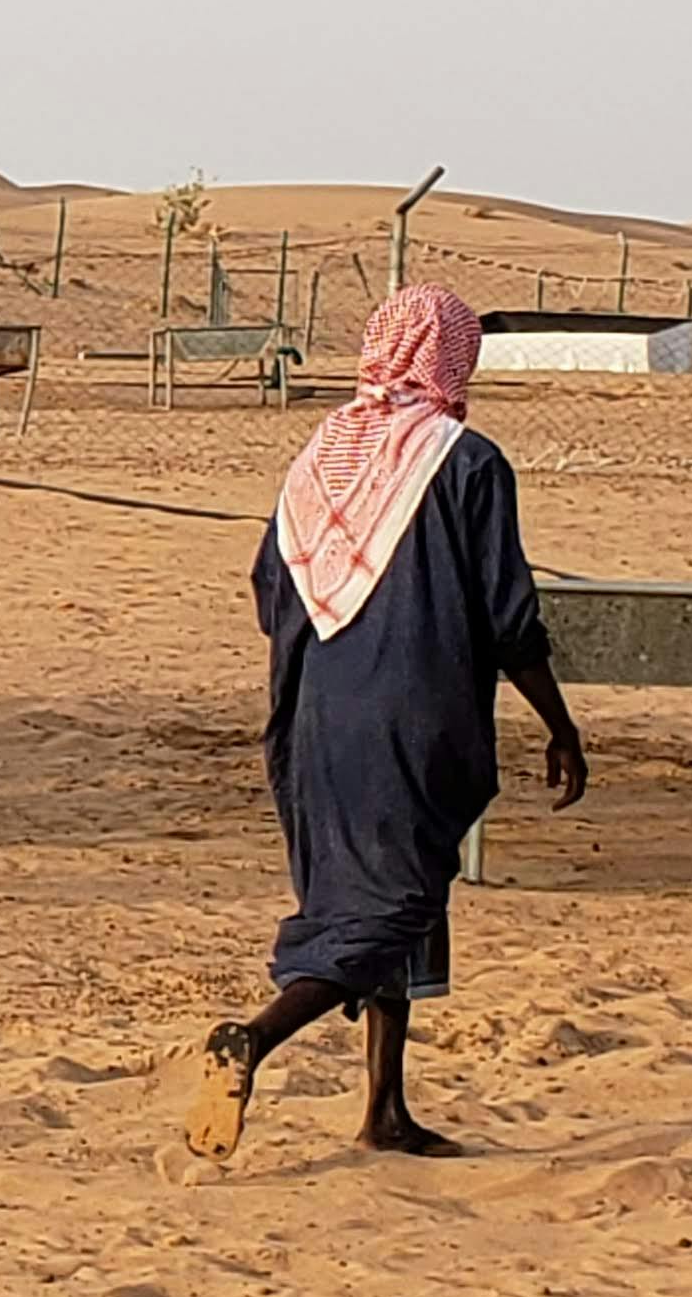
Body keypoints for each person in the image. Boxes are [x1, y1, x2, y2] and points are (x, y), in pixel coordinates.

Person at [187, 286, 585, 1164]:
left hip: (316, 718)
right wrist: (560, 723)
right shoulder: (468, 463)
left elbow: (270, 591)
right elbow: (508, 615)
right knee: (392, 900)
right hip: (412, 714)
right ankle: (252, 1040)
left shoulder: (319, 459)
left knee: (375, 894)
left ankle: (385, 1111)